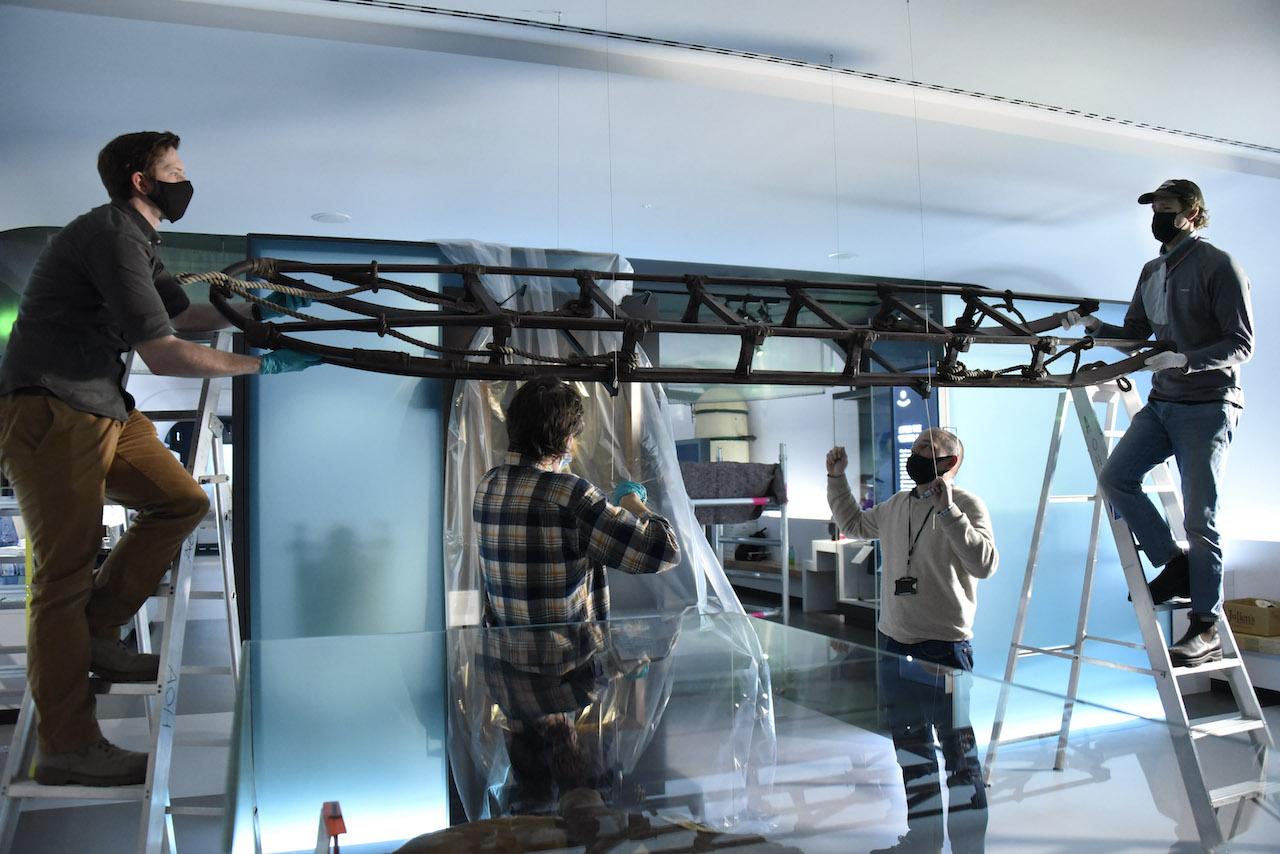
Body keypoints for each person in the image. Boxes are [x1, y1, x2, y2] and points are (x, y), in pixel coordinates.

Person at [0, 131, 320, 787]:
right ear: (142, 181)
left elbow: (184, 320)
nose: (184, 180)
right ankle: (66, 747)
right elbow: (163, 354)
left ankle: (97, 628)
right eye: (174, 170)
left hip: (101, 406)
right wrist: (263, 362)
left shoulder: (142, 243)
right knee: (59, 578)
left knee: (182, 501)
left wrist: (256, 314)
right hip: (50, 409)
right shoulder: (112, 235)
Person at [1065, 179, 1253, 667]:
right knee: (1116, 477)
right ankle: (1174, 564)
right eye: (1155, 209)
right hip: (1164, 402)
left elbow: (1240, 344)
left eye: (1167, 209)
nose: (1158, 218)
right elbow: (1134, 334)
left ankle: (1205, 626)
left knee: (1200, 518)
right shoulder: (1152, 270)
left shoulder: (1219, 266)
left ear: (1191, 213)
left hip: (1209, 404)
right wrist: (1095, 330)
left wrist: (1184, 360)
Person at [827, 428, 998, 854]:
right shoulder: (896, 504)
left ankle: (968, 848)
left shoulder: (968, 504)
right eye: (918, 444)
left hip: (944, 648)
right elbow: (853, 523)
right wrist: (836, 478)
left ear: (951, 462)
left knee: (958, 755)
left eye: (930, 447)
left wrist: (949, 512)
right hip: (894, 642)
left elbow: (985, 564)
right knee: (912, 751)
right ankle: (921, 842)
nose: (919, 450)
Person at [473, 378, 681, 630]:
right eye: (573, 436)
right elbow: (665, 550)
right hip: (568, 664)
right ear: (565, 439)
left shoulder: (488, 485)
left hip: (504, 662)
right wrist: (632, 501)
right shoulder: (571, 495)